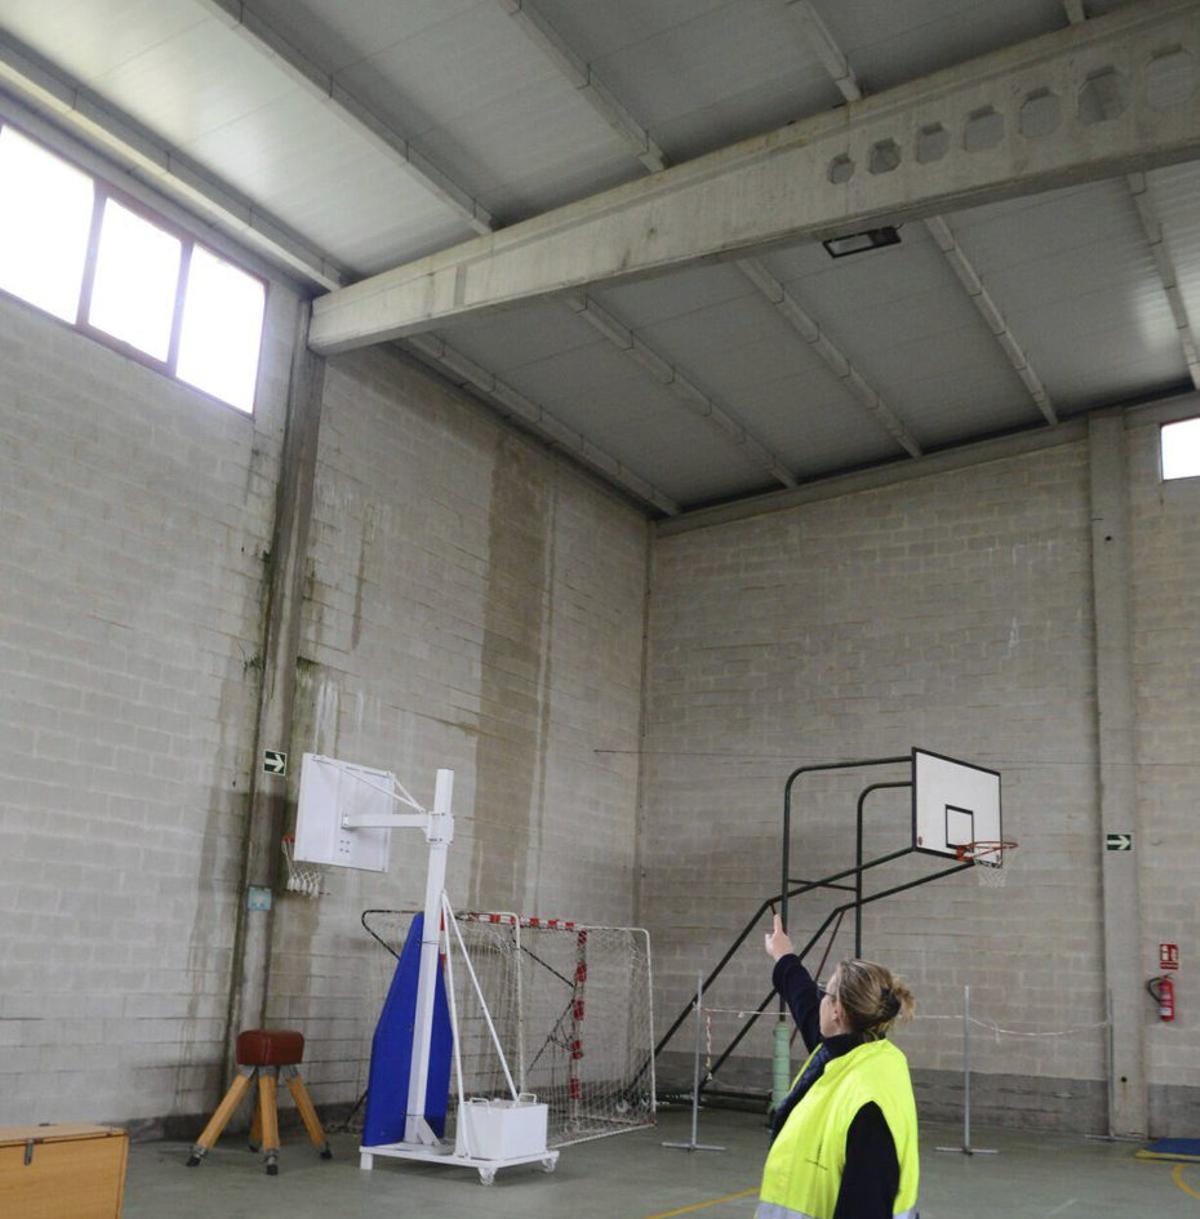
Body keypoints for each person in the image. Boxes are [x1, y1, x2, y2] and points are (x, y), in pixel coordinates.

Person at [756, 914, 920, 1219]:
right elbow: (804, 999)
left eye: (826, 992)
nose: (818, 997)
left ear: (837, 1011)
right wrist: (783, 955)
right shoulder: (863, 1053)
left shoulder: (867, 1104)